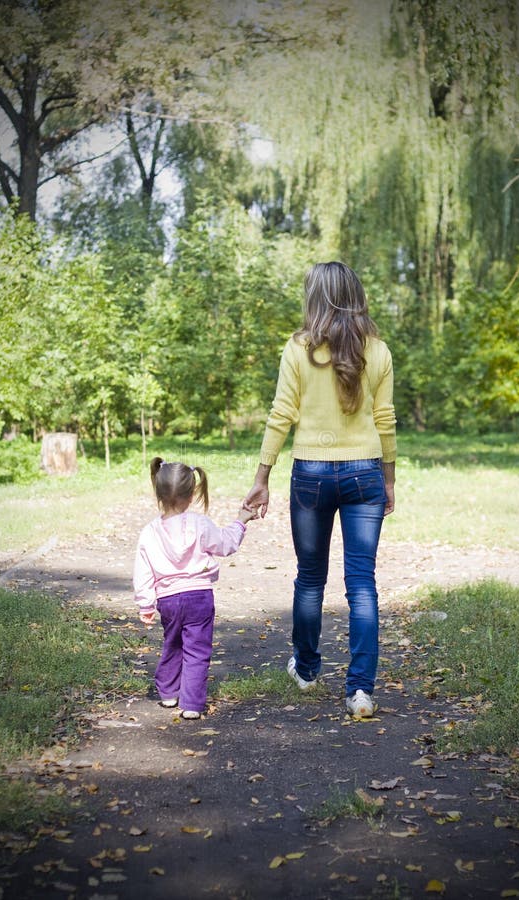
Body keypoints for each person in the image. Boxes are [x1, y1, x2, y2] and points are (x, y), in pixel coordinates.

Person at [244, 261, 396, 718]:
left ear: (317, 298)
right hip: (364, 472)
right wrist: (389, 478)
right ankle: (360, 691)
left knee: (310, 577)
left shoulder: (298, 349)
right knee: (362, 583)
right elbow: (385, 419)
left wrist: (262, 476)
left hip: (310, 472)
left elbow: (280, 414)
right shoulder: (379, 351)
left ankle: (307, 671)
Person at [134, 457, 254, 719]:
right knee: (197, 650)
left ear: (158, 491)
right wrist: (241, 520)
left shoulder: (149, 532)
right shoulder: (200, 524)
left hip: (167, 599)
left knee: (172, 643)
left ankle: (167, 692)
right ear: (191, 496)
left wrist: (145, 603)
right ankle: (191, 704)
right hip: (199, 596)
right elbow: (226, 545)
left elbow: (143, 571)